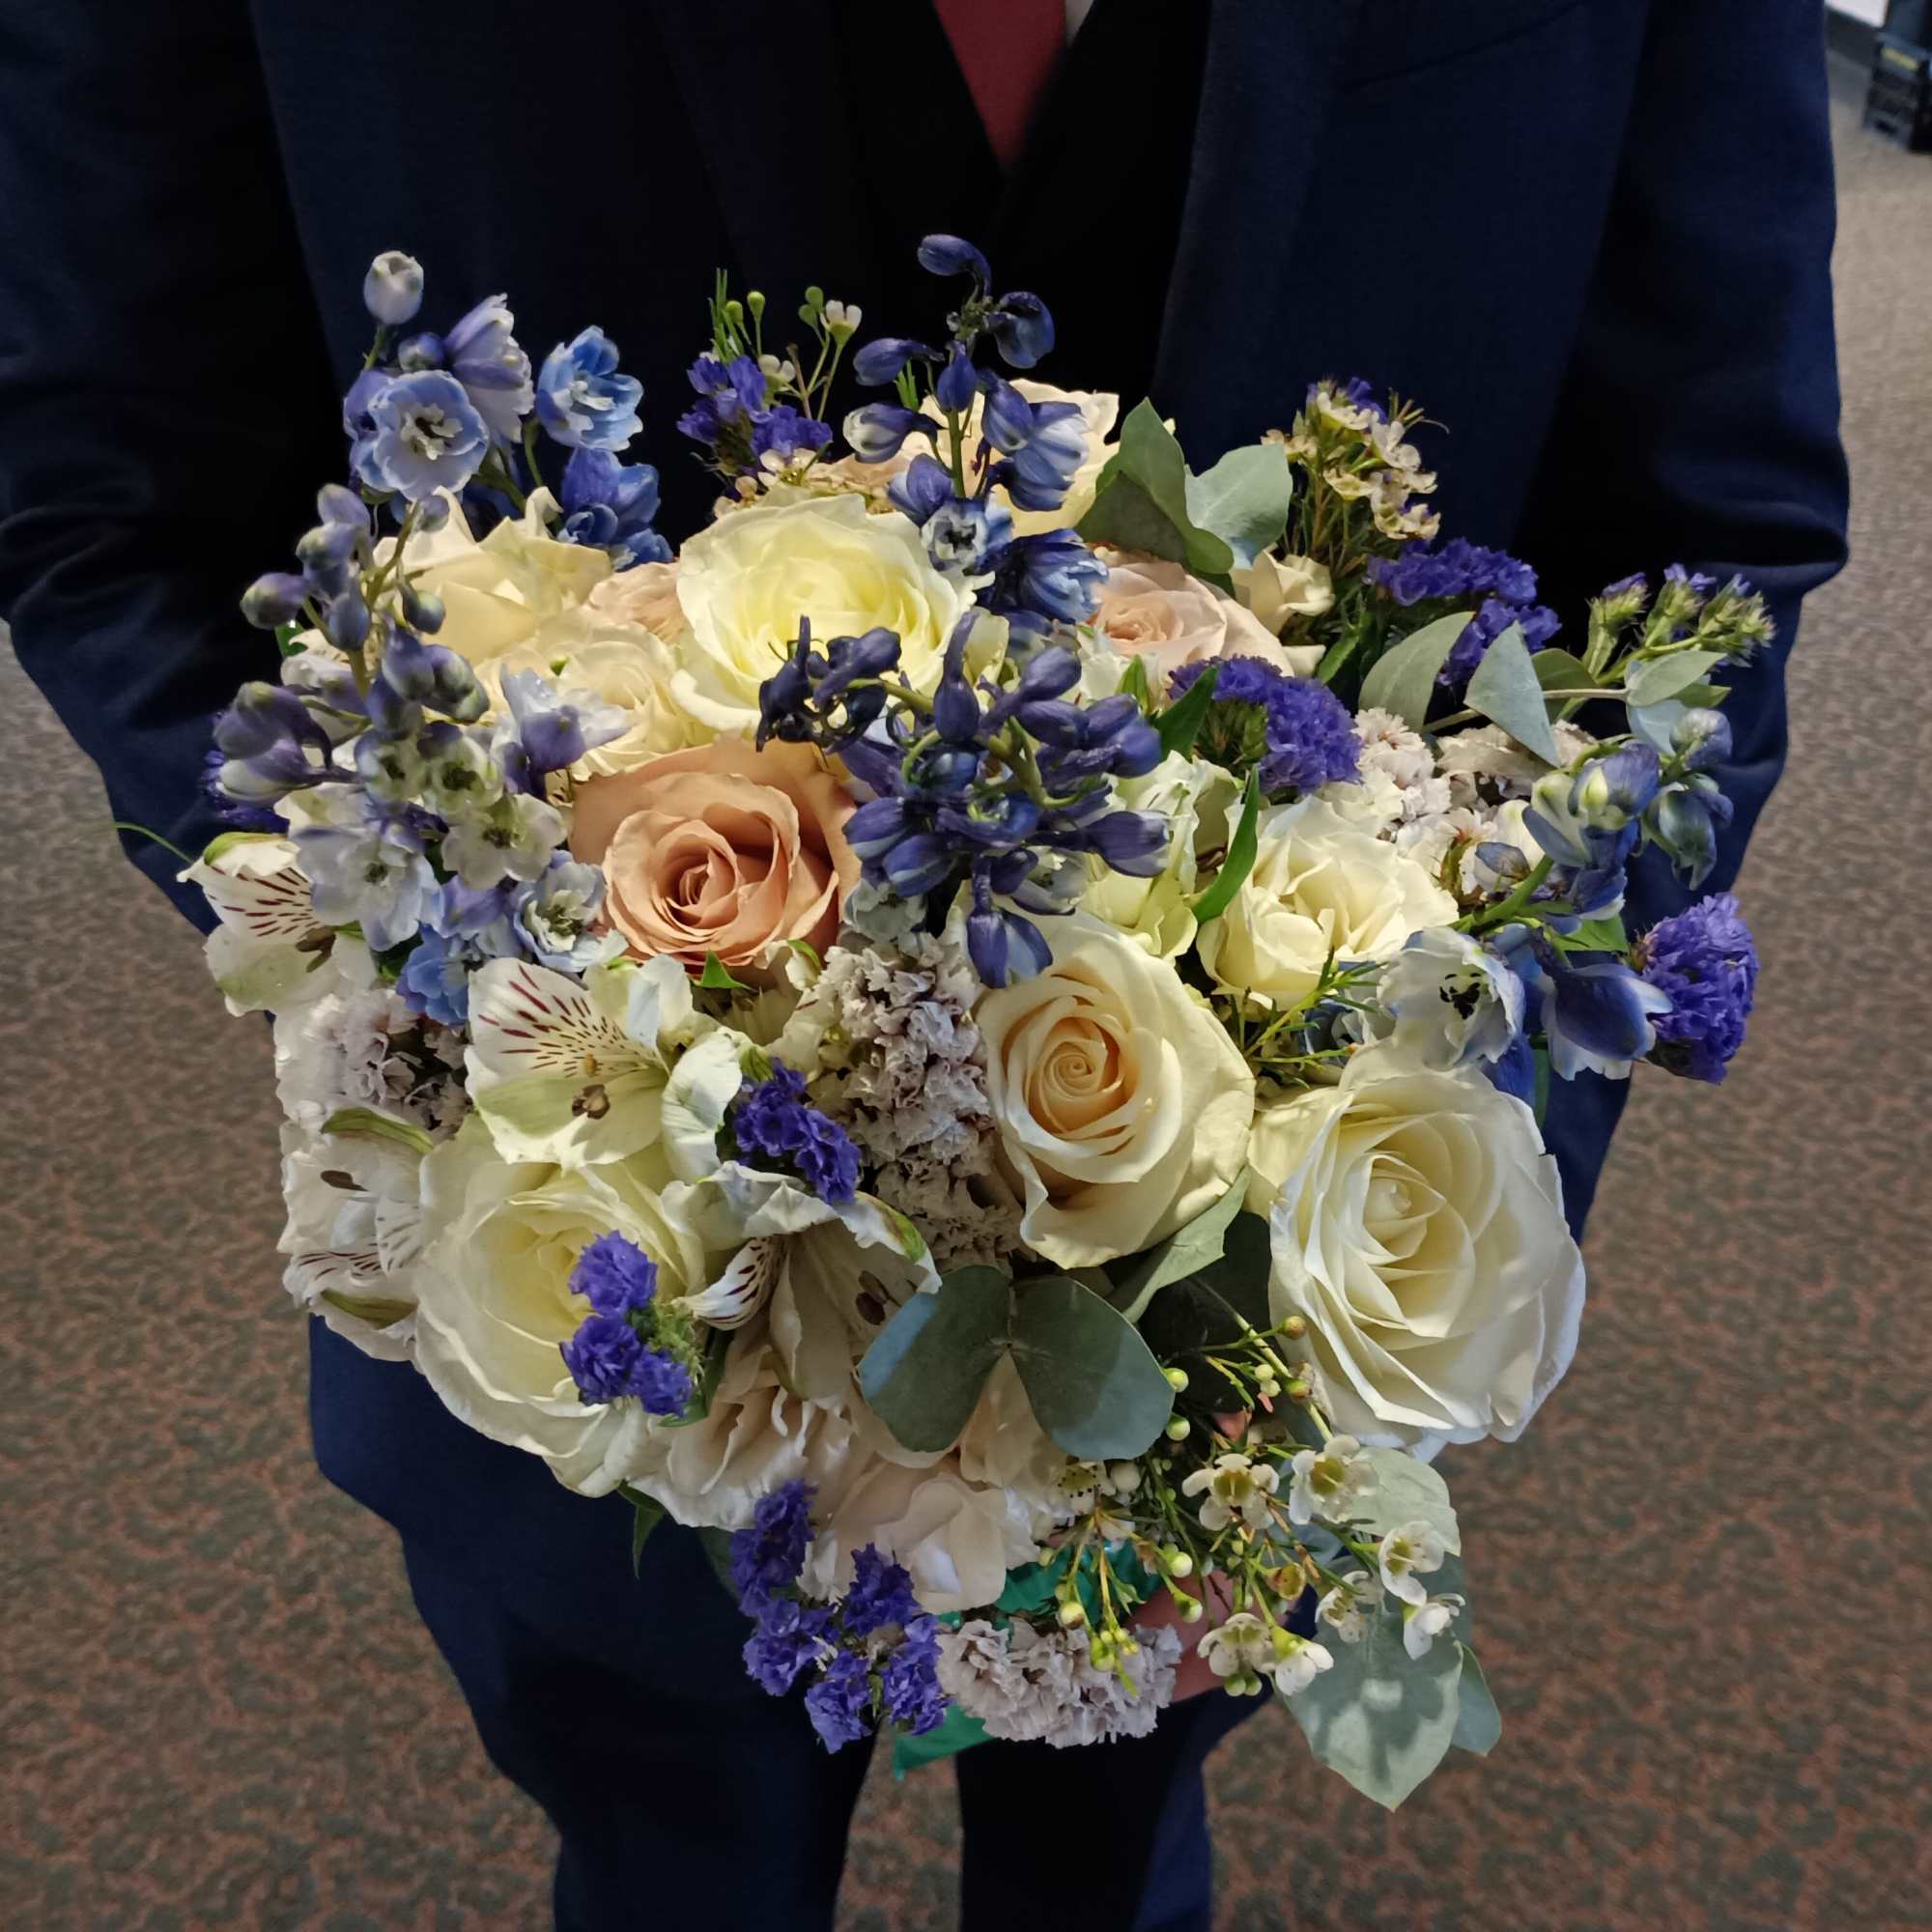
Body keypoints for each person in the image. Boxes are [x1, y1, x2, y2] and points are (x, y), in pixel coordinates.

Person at [0, 3, 1848, 1926]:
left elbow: (1700, 524)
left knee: (1113, 1853)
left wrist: (1364, 1153)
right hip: (587, 1304)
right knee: (663, 1855)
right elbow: (126, 501)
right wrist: (453, 991)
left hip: (1250, 1346)